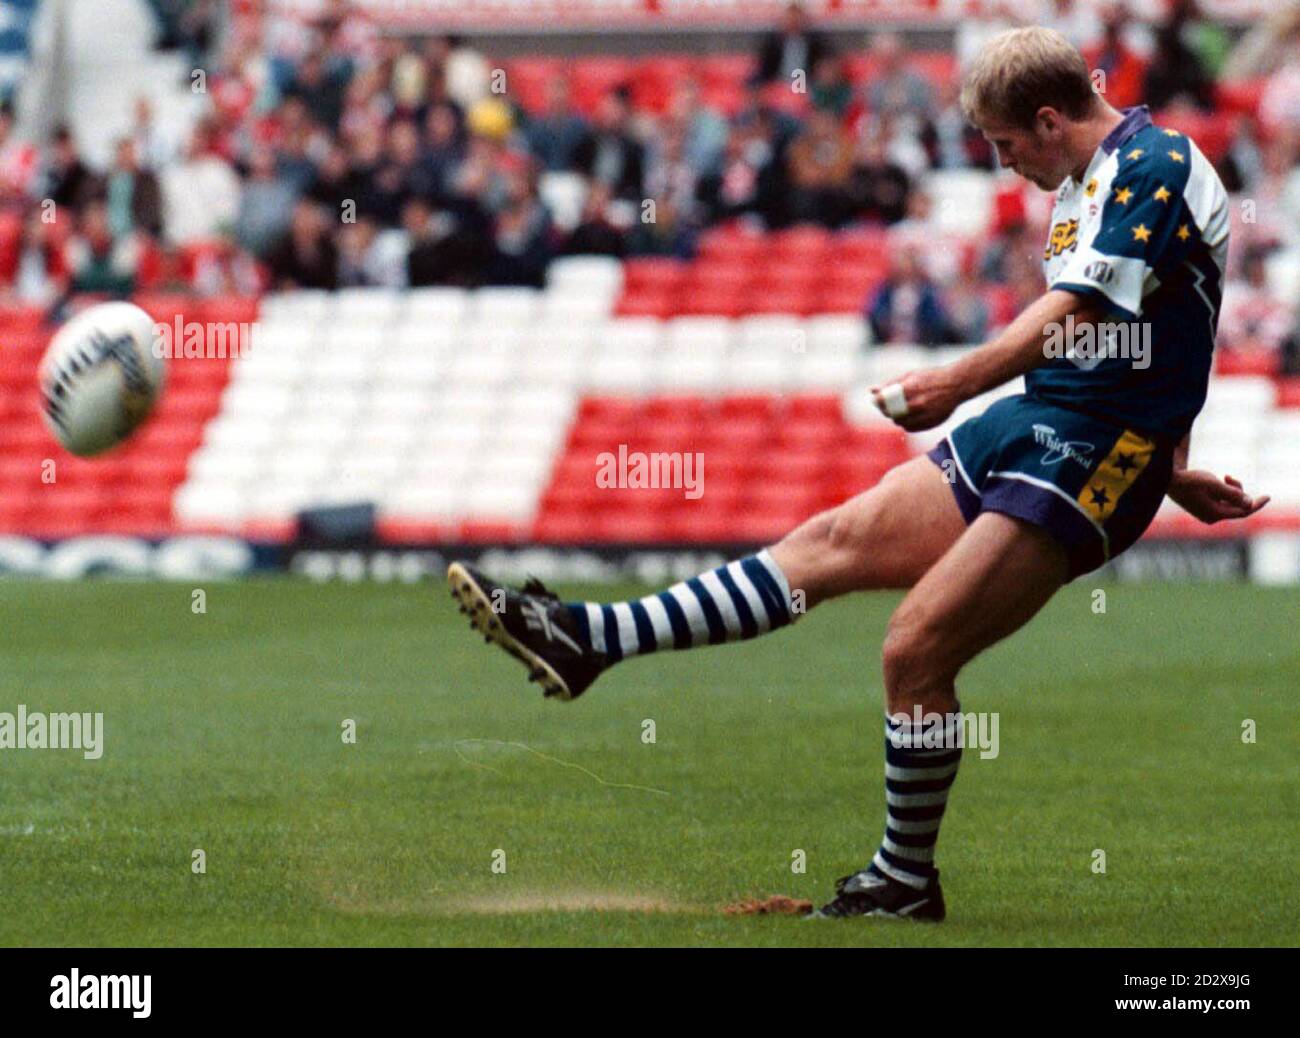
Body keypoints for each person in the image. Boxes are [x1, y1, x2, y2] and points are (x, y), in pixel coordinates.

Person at [445, 27, 1268, 921]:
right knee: (826, 542)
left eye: (1003, 146)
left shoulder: (1157, 163)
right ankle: (589, 637)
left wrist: (965, 387)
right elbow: (1166, 322)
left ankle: (903, 882)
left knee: (916, 650)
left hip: (1097, 449)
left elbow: (1081, 311)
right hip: (1045, 419)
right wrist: (1177, 467)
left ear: (1045, 118)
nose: (1001, 166)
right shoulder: (1087, 179)